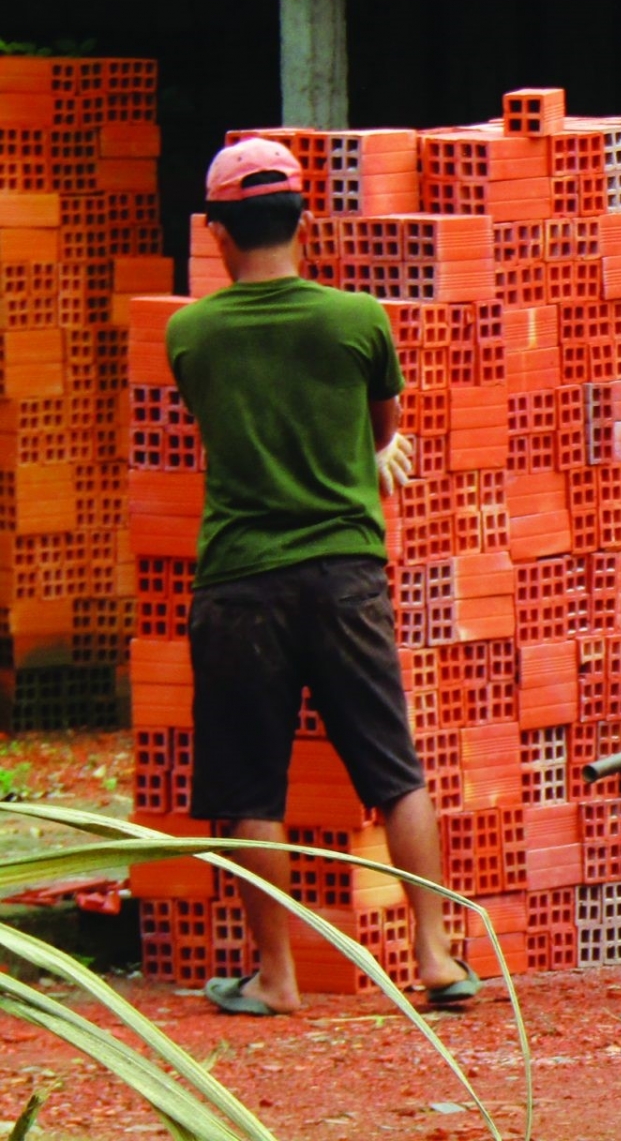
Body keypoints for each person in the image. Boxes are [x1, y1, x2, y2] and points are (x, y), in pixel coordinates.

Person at [167, 138, 479, 1015]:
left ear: (218, 231)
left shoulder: (190, 334)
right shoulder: (358, 321)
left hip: (240, 583)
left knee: (248, 786)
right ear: (304, 219)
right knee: (394, 771)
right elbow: (380, 427)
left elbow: (224, 426)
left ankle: (276, 977)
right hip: (347, 575)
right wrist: (367, 455)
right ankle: (437, 957)